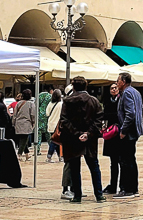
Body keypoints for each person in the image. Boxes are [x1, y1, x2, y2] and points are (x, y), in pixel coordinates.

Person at [59, 76, 105, 204]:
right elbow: (98, 119)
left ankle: (77, 196)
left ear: (73, 87)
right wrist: (88, 134)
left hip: (72, 139)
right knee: (94, 167)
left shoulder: (67, 102)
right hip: (90, 140)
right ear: (86, 86)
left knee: (74, 168)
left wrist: (76, 133)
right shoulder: (94, 101)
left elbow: (64, 120)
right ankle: (99, 195)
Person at [116, 70, 143, 199]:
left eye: (118, 81)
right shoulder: (136, 92)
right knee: (131, 159)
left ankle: (127, 189)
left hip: (129, 132)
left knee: (125, 160)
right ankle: (134, 188)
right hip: (135, 130)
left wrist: (123, 130)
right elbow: (141, 110)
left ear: (124, 81)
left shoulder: (126, 93)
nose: (116, 83)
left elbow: (130, 113)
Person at [102, 82, 121, 194]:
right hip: (111, 133)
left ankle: (121, 185)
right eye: (111, 88)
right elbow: (105, 115)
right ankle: (113, 185)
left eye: (115, 88)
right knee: (113, 162)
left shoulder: (121, 100)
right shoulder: (107, 101)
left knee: (121, 161)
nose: (113, 90)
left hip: (119, 132)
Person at [12, 88, 35, 160]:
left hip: (18, 123)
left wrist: (13, 123)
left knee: (23, 138)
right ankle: (19, 154)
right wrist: (33, 123)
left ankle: (27, 154)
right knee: (24, 139)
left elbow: (14, 114)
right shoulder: (31, 104)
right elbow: (33, 115)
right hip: (27, 123)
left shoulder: (18, 103)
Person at [45, 89, 63, 162]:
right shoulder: (61, 104)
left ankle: (60, 156)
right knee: (55, 141)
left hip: (51, 124)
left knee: (57, 141)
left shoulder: (50, 104)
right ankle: (49, 156)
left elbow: (47, 114)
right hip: (58, 125)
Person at [36, 86, 53, 155]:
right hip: (47, 115)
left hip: (39, 115)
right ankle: (51, 148)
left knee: (38, 134)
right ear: (51, 90)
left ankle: (37, 149)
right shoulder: (50, 97)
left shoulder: (39, 95)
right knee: (48, 134)